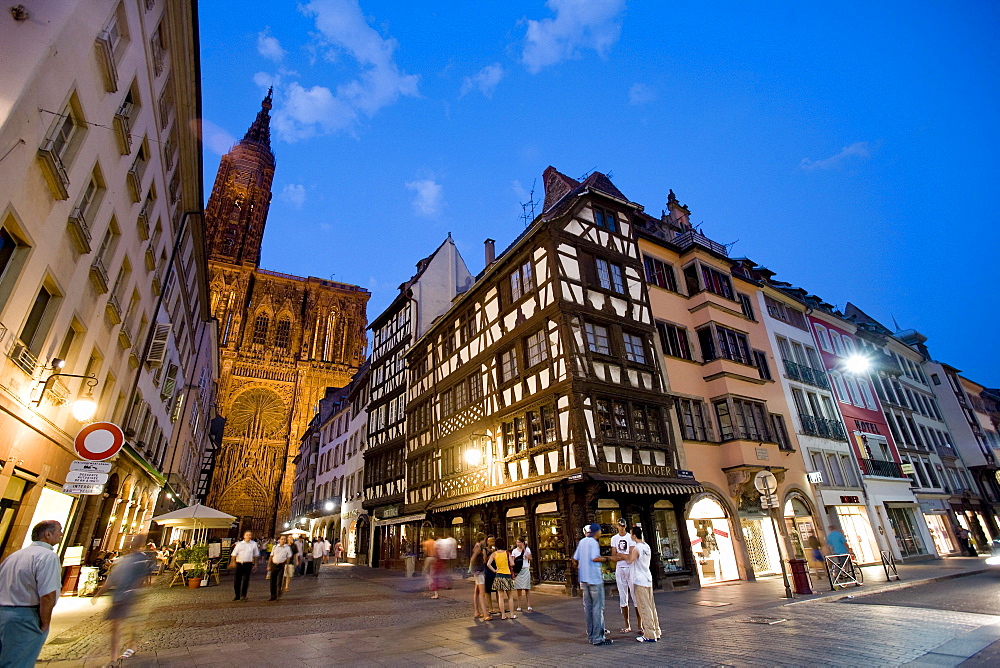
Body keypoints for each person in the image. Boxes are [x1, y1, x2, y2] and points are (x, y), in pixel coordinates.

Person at [0, 520, 64, 667]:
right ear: (48, 534)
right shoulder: (48, 556)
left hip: (4, 613)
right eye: (59, 530)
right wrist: (45, 622)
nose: (61, 534)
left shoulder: (14, 556)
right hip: (25, 616)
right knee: (20, 661)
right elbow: (47, 595)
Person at [92, 536, 154, 663]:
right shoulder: (120, 561)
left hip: (131, 596)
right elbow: (110, 580)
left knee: (131, 624)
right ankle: (113, 657)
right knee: (116, 626)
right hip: (119, 596)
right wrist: (97, 594)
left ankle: (131, 646)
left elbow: (142, 578)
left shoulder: (141, 558)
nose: (129, 546)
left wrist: (133, 590)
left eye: (132, 543)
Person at [572, 522, 614, 646]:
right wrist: (609, 558)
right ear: (596, 532)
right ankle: (598, 637)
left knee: (588, 608)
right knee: (597, 608)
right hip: (594, 579)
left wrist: (580, 567)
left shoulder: (582, 542)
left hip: (584, 579)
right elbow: (595, 558)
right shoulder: (593, 543)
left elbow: (575, 558)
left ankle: (591, 635)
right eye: (600, 531)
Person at [622, 526, 660, 643]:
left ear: (634, 535)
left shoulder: (637, 548)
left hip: (639, 580)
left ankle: (649, 634)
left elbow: (630, 560)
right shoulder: (646, 546)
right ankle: (656, 631)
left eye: (631, 534)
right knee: (651, 606)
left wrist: (622, 555)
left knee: (644, 607)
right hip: (647, 578)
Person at [611, 518, 641, 633]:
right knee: (623, 596)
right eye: (620, 526)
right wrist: (623, 555)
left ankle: (640, 624)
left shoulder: (630, 537)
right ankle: (627, 624)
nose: (621, 528)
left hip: (630, 568)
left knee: (635, 595)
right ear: (617, 526)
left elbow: (630, 556)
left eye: (623, 526)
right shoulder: (614, 538)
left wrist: (621, 555)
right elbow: (614, 556)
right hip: (620, 568)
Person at [485, 537, 515, 619]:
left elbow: (488, 564)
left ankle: (503, 615)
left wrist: (495, 570)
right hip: (507, 575)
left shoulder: (494, 554)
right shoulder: (507, 553)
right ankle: (512, 614)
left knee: (500, 597)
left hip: (498, 575)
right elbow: (512, 563)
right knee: (510, 596)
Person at [229, 530, 259, 602]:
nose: (248, 536)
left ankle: (243, 595)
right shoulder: (239, 544)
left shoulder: (254, 544)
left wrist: (255, 564)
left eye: (250, 535)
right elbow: (234, 554)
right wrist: (232, 562)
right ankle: (237, 595)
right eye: (247, 535)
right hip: (239, 563)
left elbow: (255, 555)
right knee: (237, 580)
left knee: (246, 580)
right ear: (244, 536)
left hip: (248, 563)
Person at [468, 533, 489, 621]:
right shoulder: (478, 547)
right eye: (485, 540)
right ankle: (485, 614)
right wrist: (472, 568)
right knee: (482, 593)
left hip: (478, 570)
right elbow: (472, 558)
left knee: (476, 592)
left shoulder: (478, 546)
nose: (485, 542)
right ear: (482, 539)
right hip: (479, 571)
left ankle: (477, 611)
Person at [511, 537, 533, 613]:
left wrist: (524, 550)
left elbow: (530, 558)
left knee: (527, 588)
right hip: (518, 571)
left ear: (523, 543)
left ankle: (529, 605)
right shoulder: (514, 551)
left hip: (525, 568)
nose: (518, 544)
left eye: (519, 542)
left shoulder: (527, 549)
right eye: (517, 542)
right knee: (518, 589)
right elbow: (512, 561)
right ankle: (519, 605)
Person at [268, 536, 293, 601]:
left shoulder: (287, 548)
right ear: (279, 540)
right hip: (274, 564)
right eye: (282, 539)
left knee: (279, 580)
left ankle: (278, 593)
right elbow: (271, 556)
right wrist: (269, 565)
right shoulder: (275, 547)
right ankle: (272, 595)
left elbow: (288, 557)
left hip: (282, 565)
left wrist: (286, 565)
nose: (283, 540)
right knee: (272, 581)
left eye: (284, 539)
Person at [483, 536, 499, 614]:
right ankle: (490, 607)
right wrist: (491, 554)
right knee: (488, 590)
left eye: (493, 541)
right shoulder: (485, 550)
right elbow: (484, 560)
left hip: (495, 570)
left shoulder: (496, 549)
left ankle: (500, 606)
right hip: (488, 571)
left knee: (497, 589)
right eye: (490, 541)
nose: (492, 543)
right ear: (487, 542)